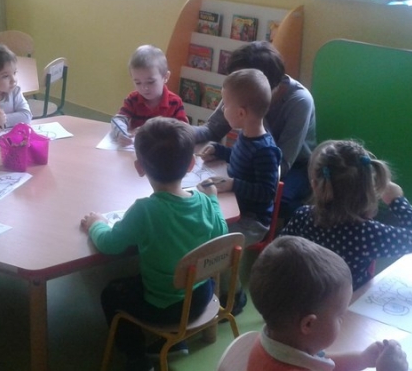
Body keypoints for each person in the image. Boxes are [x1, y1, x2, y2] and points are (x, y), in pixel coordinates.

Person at [80, 117, 227, 371]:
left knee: (111, 293)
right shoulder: (204, 203)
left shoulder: (145, 210)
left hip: (165, 309)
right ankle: (177, 342)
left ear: (139, 168)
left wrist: (96, 224)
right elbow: (222, 234)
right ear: (191, 165)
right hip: (201, 296)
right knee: (174, 270)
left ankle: (137, 359)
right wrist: (213, 199)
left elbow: (109, 244)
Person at [280, 140, 412, 289]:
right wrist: (396, 200)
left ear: (315, 185)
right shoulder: (367, 234)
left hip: (307, 296)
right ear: (371, 187)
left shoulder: (302, 217)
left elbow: (280, 248)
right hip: (350, 300)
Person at [192, 41, 316, 219]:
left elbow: (282, 165)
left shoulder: (300, 101)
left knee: (282, 202)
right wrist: (180, 132)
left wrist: (235, 182)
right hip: (258, 158)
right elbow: (212, 129)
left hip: (294, 165)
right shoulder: (239, 92)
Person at [246, 235, 408, 371]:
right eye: (340, 316)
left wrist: (362, 359)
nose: (343, 320)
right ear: (308, 324)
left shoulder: (278, 342)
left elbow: (319, 362)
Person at [199, 68, 282, 314]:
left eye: (225, 105)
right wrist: (219, 150)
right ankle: (209, 285)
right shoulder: (246, 136)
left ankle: (234, 298)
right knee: (205, 226)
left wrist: (234, 185)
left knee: (220, 244)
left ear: (241, 113)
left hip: (253, 221)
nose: (222, 109)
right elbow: (239, 160)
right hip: (237, 207)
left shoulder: (266, 150)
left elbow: (267, 192)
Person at [110, 45, 188, 142]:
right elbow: (118, 120)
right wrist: (121, 133)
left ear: (165, 77)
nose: (144, 88)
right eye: (138, 83)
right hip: (136, 149)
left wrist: (152, 132)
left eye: (150, 82)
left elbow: (184, 131)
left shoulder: (175, 102)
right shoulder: (133, 99)